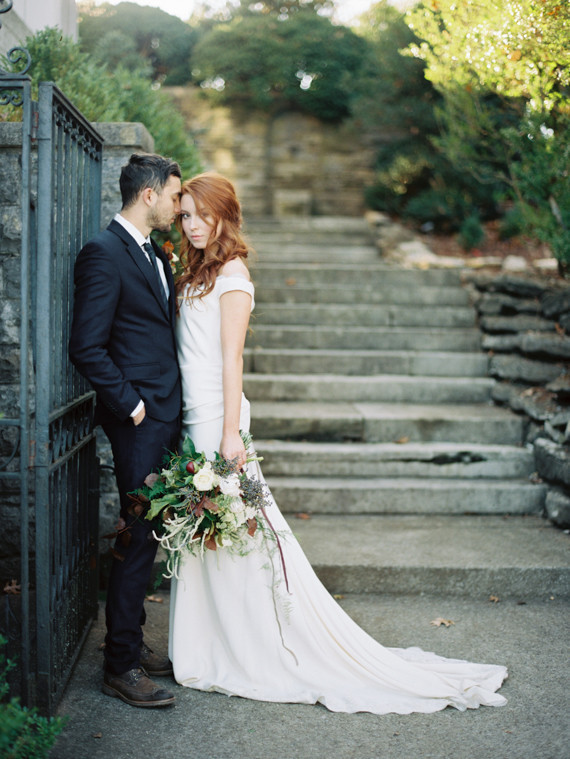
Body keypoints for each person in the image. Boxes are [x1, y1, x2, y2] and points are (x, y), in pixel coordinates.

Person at [169, 172, 508, 714]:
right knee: (210, 532)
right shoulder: (193, 272)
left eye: (201, 215)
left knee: (237, 533)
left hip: (217, 417)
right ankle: (211, 640)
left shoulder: (232, 274)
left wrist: (231, 433)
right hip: (191, 416)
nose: (191, 225)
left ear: (223, 216)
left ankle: (251, 645)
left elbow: (232, 360)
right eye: (185, 215)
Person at [69, 153, 182, 708]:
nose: (178, 206)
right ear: (149, 194)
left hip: (165, 414)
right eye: (174, 196)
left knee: (148, 534)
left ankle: (131, 642)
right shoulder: (104, 252)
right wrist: (132, 405)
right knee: (137, 536)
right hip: (138, 420)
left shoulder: (154, 253)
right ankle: (119, 665)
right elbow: (86, 345)